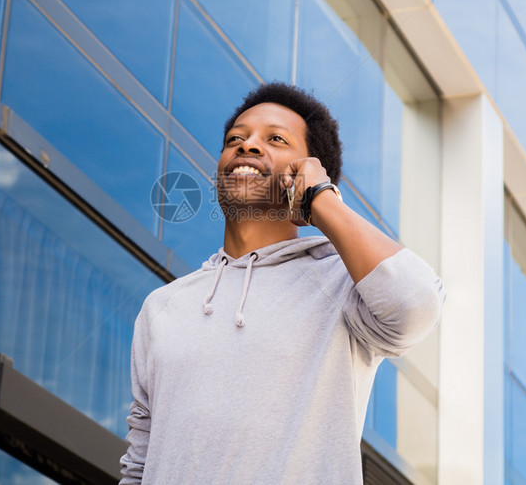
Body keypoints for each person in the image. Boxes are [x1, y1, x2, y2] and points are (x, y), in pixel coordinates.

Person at [119, 81, 445, 484]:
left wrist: (321, 199)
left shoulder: (341, 284)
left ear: (308, 172)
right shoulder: (163, 307)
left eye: (275, 139)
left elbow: (417, 303)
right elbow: (139, 464)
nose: (248, 146)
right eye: (235, 139)